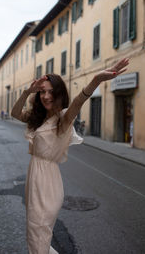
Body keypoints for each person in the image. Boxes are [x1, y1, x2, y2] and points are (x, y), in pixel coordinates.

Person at [11, 57, 129, 254]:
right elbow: (15, 113)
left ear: (59, 94)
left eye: (51, 92)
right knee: (34, 231)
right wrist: (27, 92)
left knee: (38, 231)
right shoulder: (37, 118)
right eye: (42, 92)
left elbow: (79, 100)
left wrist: (97, 79)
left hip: (48, 182)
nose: (46, 96)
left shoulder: (64, 119)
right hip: (34, 178)